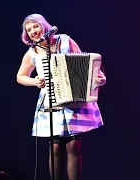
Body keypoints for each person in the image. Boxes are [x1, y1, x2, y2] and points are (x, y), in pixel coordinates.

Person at [16, 14, 106, 180]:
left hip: (73, 99)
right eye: (29, 30)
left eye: (35, 27)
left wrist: (98, 78)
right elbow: (20, 76)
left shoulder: (64, 41)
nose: (33, 32)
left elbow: (84, 62)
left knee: (73, 145)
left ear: (43, 25)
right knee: (55, 147)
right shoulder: (32, 53)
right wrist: (34, 81)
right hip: (50, 101)